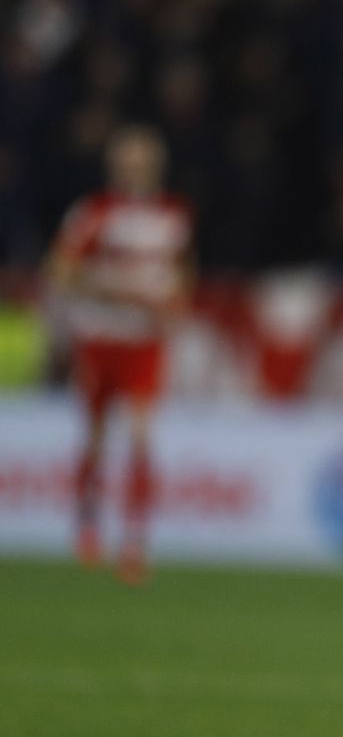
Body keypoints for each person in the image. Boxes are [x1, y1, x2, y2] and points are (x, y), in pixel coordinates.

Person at [48, 125, 194, 585]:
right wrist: (118, 293)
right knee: (95, 435)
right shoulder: (95, 211)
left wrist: (173, 305)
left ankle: (134, 542)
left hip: (145, 341)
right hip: (100, 337)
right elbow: (61, 269)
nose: (135, 166)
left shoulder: (173, 214)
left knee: (141, 437)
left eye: (142, 158)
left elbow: (182, 271)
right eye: (128, 158)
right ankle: (88, 524)